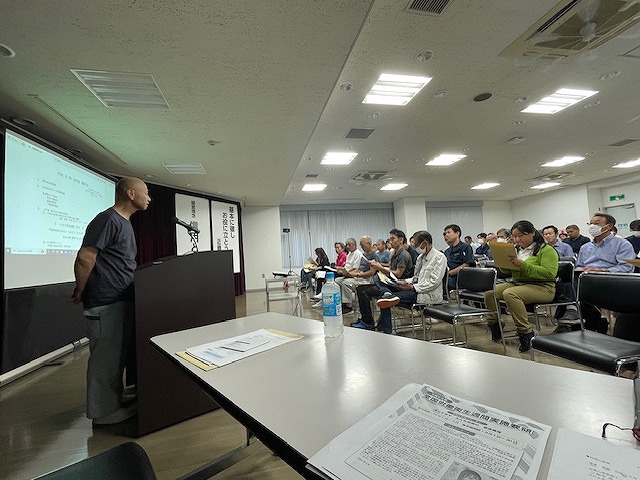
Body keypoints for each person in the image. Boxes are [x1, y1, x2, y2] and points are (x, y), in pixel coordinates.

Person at [72, 177, 151, 425]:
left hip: (120, 299)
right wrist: (81, 289)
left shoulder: (124, 222)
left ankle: (111, 400)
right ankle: (103, 414)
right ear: (130, 193)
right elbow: (86, 257)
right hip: (105, 300)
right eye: (145, 192)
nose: (148, 198)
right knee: (105, 359)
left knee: (115, 356)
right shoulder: (107, 219)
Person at [484, 220, 558, 353]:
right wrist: (502, 262)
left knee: (510, 294)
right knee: (490, 294)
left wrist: (522, 265)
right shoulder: (516, 250)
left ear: (532, 233)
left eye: (520, 236)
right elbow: (507, 272)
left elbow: (549, 273)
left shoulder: (546, 250)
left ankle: (525, 332)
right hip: (519, 283)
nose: (517, 239)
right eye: (514, 236)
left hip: (543, 287)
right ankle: (495, 324)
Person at [370, 230, 446, 331]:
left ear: (425, 243)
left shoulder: (439, 258)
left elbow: (434, 282)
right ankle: (384, 327)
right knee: (381, 290)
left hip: (425, 293)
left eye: (416, 244)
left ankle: (386, 330)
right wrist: (405, 281)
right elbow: (416, 278)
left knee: (385, 300)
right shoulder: (420, 257)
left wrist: (411, 287)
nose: (413, 247)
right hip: (415, 290)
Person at [574, 213, 635, 333]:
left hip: (611, 281)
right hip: (588, 281)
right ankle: (591, 323)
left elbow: (626, 268)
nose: (592, 226)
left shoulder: (622, 244)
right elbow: (579, 266)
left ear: (608, 226)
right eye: (590, 223)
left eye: (596, 224)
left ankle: (602, 320)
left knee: (595, 293)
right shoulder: (585, 247)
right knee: (576, 285)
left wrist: (602, 271)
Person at [351, 229, 413, 333]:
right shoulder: (394, 253)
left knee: (365, 289)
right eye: (390, 239)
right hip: (391, 284)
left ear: (401, 240)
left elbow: (397, 274)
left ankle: (370, 322)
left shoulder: (403, 255)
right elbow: (390, 269)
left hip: (398, 286)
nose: (390, 241)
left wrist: (380, 268)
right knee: (369, 284)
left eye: (393, 239)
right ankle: (372, 321)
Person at [443, 224, 474, 292]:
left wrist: (448, 273)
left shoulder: (466, 247)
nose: (446, 235)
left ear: (457, 233)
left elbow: (466, 265)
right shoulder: (447, 252)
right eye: (445, 233)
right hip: (448, 277)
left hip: (459, 278)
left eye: (448, 232)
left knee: (442, 283)